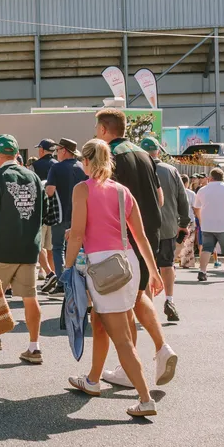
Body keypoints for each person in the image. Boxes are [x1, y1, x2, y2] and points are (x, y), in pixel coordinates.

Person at [64, 139, 160, 417]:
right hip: (128, 261)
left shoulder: (82, 189)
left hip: (103, 267)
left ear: (85, 161)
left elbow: (79, 234)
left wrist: (67, 268)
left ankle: (145, 398)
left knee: (122, 337)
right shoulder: (122, 191)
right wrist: (153, 271)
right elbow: (139, 236)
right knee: (106, 324)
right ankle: (93, 380)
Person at [94, 108, 177, 390]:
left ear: (104, 130)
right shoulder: (144, 154)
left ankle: (129, 368)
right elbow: (160, 197)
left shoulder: (110, 156)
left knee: (123, 301)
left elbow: (107, 197)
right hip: (149, 231)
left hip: (123, 236)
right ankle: (161, 347)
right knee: (138, 294)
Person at [0, 134, 47, 364]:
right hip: (29, 247)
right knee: (30, 298)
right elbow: (41, 213)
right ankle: (34, 347)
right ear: (16, 154)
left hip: (2, 247)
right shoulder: (33, 176)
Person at [139, 137, 190, 323]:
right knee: (167, 264)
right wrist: (183, 222)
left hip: (143, 228)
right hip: (168, 226)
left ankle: (149, 306)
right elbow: (182, 199)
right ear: (158, 152)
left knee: (145, 266)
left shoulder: (138, 170)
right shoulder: (171, 171)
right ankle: (169, 300)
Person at [44, 138, 86, 294]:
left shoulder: (56, 168)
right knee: (77, 248)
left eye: (58, 150)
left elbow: (50, 191)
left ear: (64, 151)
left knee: (58, 248)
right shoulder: (83, 167)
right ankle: (78, 280)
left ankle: (62, 282)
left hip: (61, 214)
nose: (56, 153)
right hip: (80, 213)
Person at [194, 167, 224, 281]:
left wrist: (201, 219)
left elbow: (196, 208)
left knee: (206, 248)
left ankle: (202, 271)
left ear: (210, 177)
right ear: (223, 177)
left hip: (207, 224)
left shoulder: (202, 190)